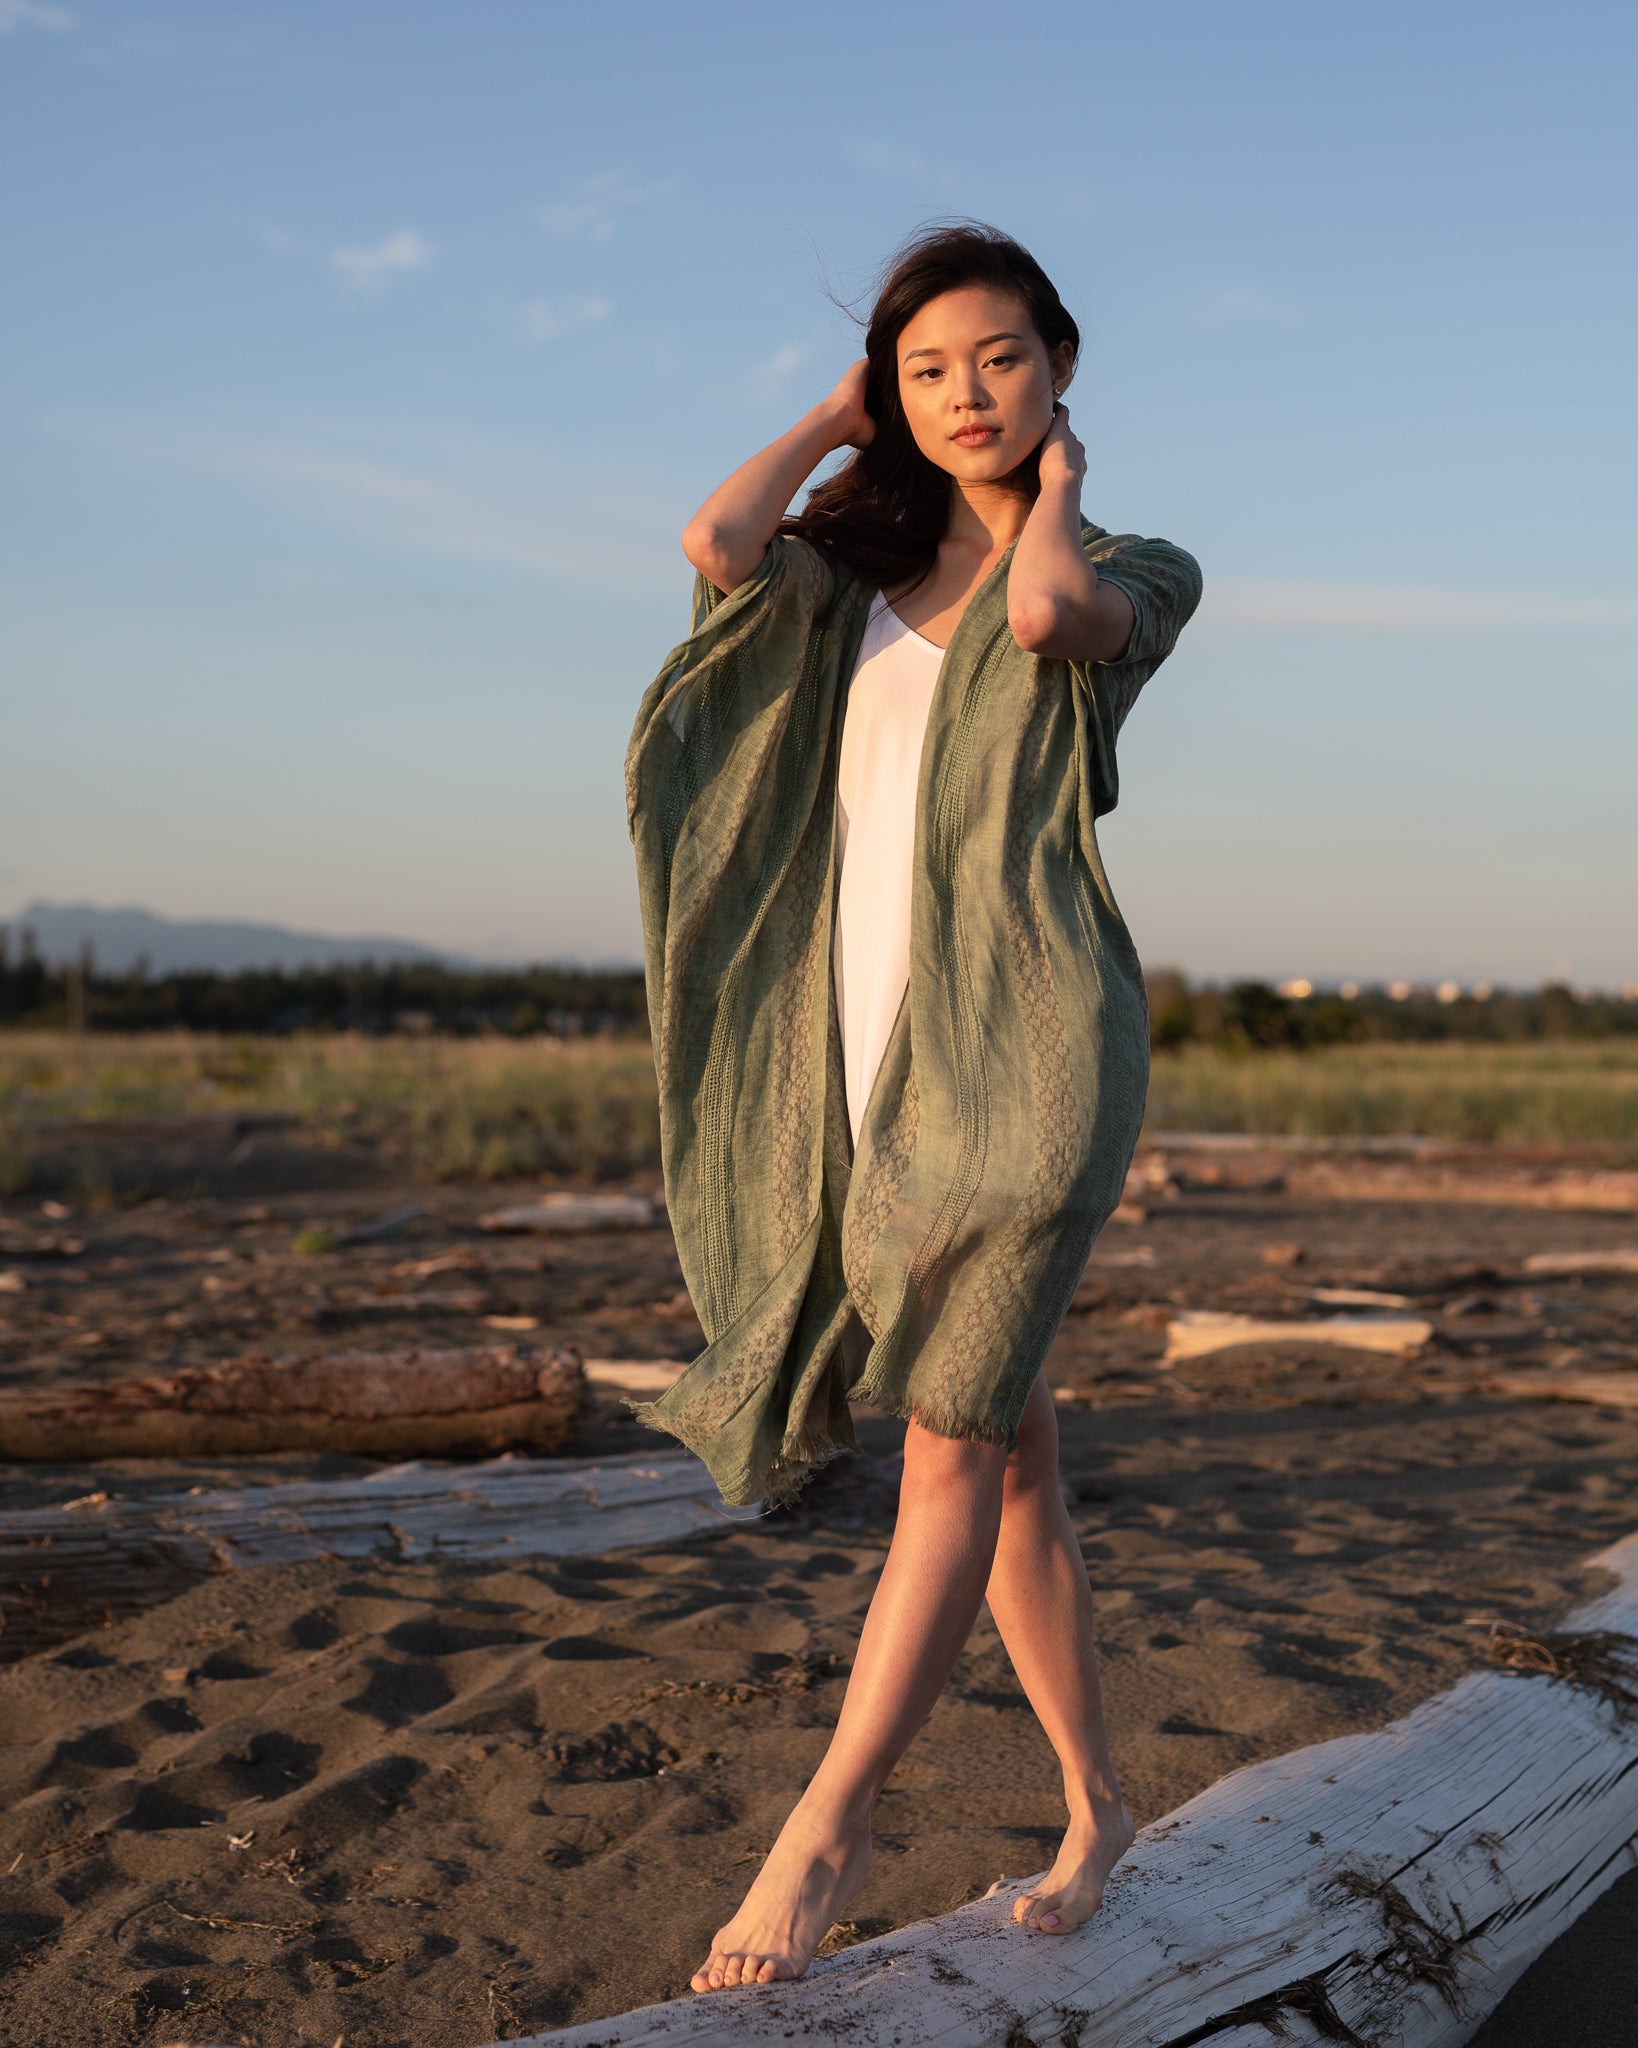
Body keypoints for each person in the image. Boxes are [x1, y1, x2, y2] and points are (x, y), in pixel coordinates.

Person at [625, 220, 1201, 1994]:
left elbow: (1044, 615)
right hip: (864, 1049)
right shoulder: (834, 578)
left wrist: (1060, 490)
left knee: (943, 1443)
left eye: (1003, 359)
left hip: (1027, 1052)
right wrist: (835, 411)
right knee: (1008, 1446)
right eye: (929, 367)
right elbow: (714, 539)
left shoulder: (1136, 567)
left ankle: (829, 1823)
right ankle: (1099, 1802)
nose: (968, 395)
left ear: (1060, 368)